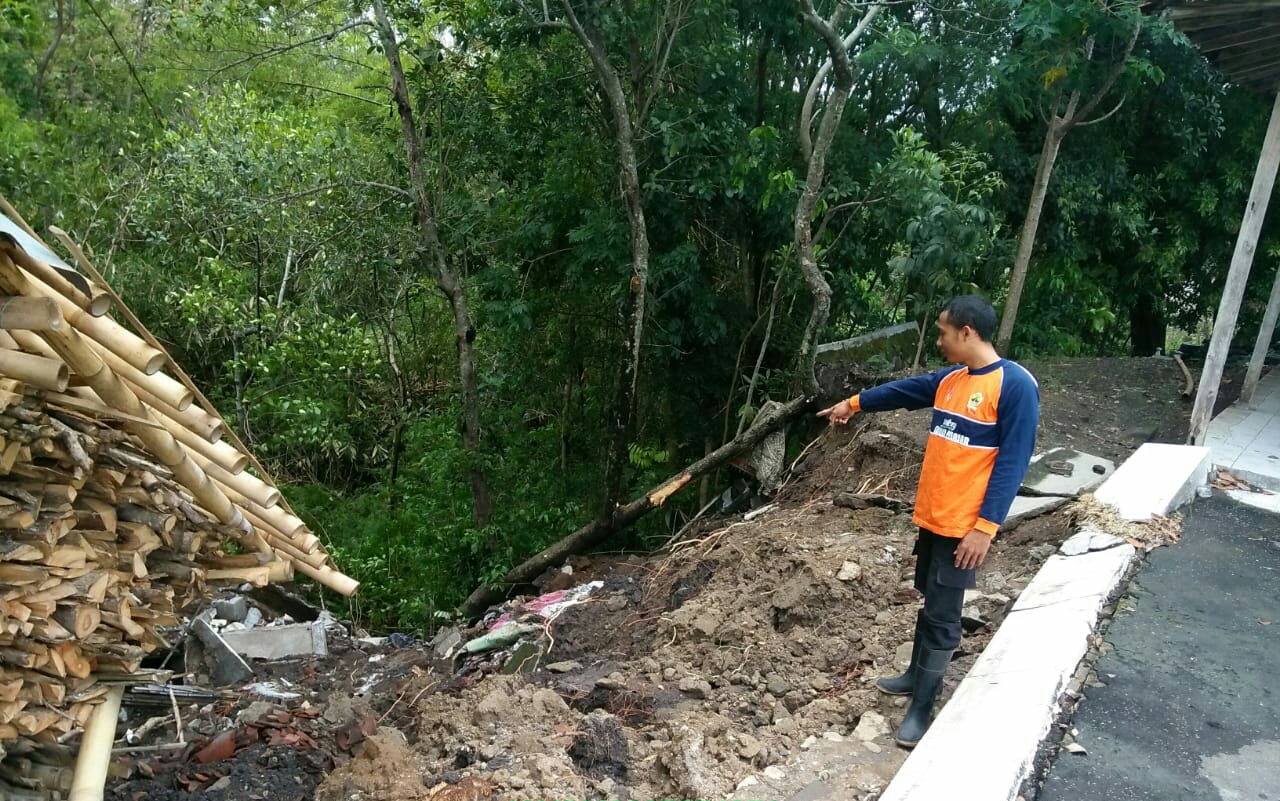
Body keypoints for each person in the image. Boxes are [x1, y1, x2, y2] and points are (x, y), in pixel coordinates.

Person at [817, 295, 1039, 748]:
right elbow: (903, 391)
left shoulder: (1014, 386)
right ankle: (914, 676)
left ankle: (923, 704)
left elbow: (1013, 464)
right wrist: (853, 403)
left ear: (967, 332)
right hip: (934, 518)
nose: (939, 341)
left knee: (943, 615)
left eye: (942, 332)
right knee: (930, 602)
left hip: (964, 527)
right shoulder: (952, 380)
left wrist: (985, 528)